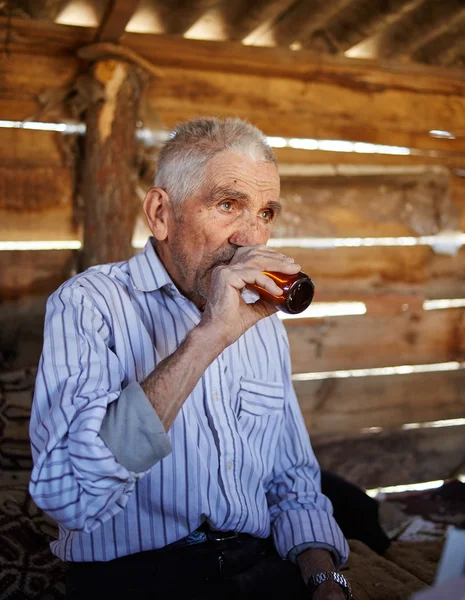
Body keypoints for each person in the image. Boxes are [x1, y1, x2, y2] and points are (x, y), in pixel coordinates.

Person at [29, 117, 351, 599]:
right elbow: (68, 495)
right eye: (228, 205)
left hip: (253, 566)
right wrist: (207, 338)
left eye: (265, 213)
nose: (252, 239)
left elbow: (293, 482)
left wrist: (325, 577)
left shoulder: (263, 326)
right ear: (161, 213)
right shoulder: (88, 304)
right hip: (137, 579)